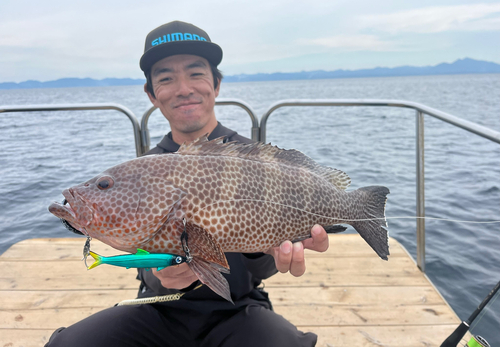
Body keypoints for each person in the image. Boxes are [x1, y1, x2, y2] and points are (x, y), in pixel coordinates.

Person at [46, 20, 329, 347]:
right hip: (158, 308)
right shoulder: (146, 167)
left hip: (237, 309)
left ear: (217, 84)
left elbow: (260, 271)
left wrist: (270, 251)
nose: (183, 88)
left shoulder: (253, 163)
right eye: (166, 78)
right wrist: (161, 276)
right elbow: (143, 267)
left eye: (196, 73)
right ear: (152, 94)